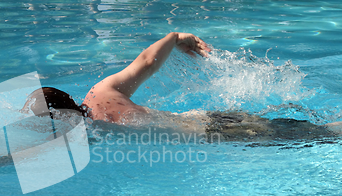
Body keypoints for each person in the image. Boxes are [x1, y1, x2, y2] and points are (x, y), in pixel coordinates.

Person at [23, 32, 342, 142]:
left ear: (60, 118)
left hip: (219, 135)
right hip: (210, 118)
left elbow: (24, 159)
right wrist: (176, 38)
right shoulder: (101, 92)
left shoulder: (89, 133)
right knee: (310, 130)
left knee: (326, 134)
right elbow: (147, 62)